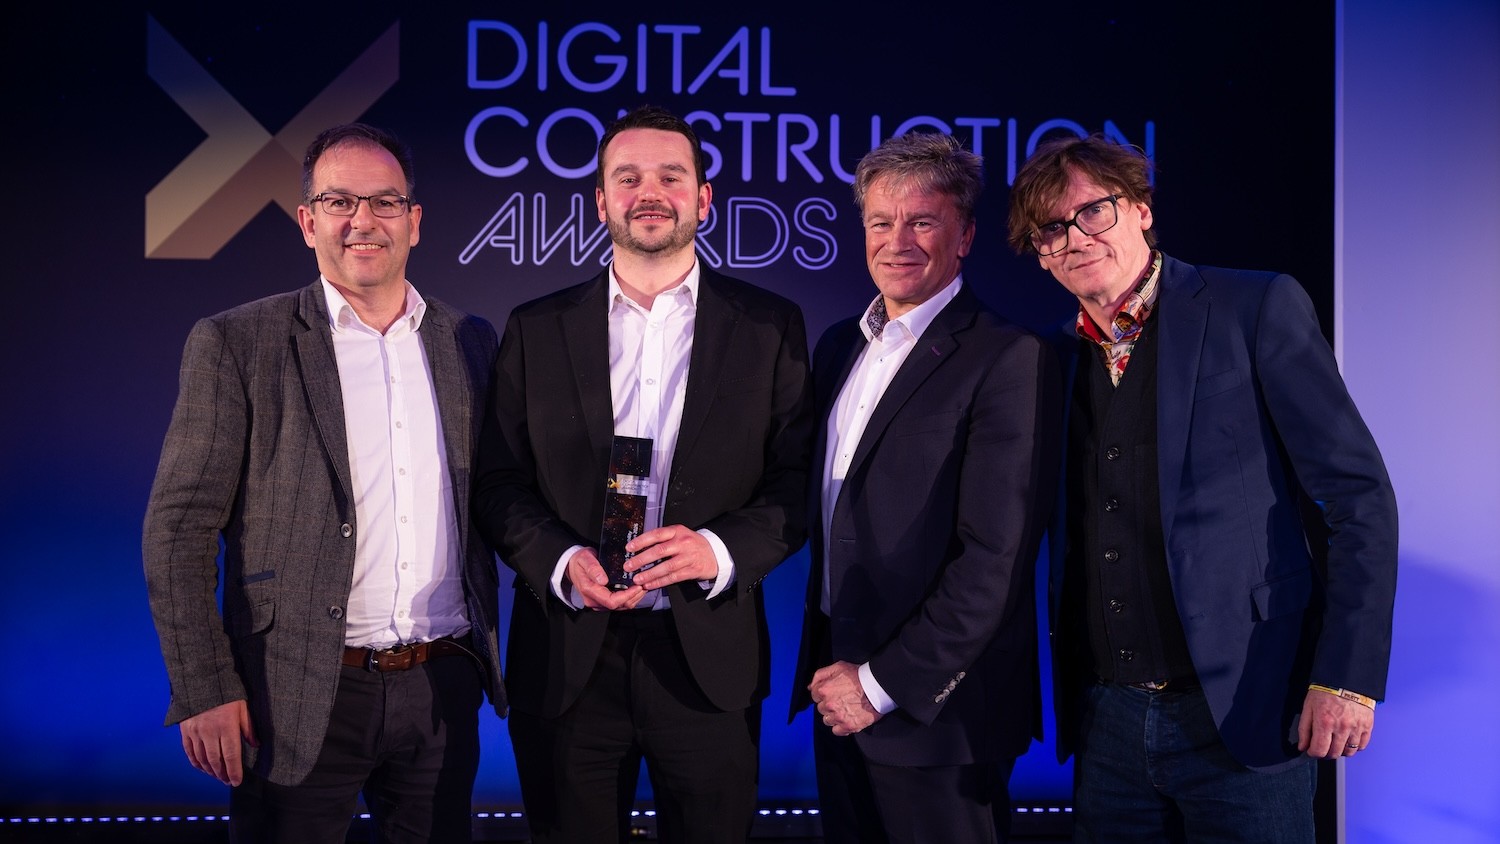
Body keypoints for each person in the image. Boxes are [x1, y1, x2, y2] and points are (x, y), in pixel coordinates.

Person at [1007, 134, 1398, 842]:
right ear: (1041, 255)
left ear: (1142, 209)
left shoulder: (1255, 306)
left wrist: (1346, 677)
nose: (1077, 238)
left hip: (1249, 711)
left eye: (1093, 211)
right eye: (1052, 229)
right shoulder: (1051, 356)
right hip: (1107, 724)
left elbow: (1357, 497)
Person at [143, 123, 506, 843]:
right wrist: (205, 685)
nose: (363, 221)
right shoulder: (239, 342)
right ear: (309, 222)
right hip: (294, 690)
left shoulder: (468, 339)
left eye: (384, 202)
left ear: (414, 222)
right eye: (340, 202)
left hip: (441, 683)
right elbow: (178, 530)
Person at [473, 105, 813, 844]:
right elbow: (497, 483)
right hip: (569, 656)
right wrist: (560, 561)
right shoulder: (535, 327)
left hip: (707, 657)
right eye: (627, 178)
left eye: (670, 176)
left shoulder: (770, 326)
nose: (649, 192)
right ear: (600, 201)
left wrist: (718, 551)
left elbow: (796, 483)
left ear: (704, 197)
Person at [790, 132, 1062, 843]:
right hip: (837, 693)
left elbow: (994, 561)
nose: (897, 241)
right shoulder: (838, 346)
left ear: (964, 236)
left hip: (940, 714)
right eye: (881, 222)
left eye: (922, 221)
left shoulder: (1008, 355)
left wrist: (879, 685)